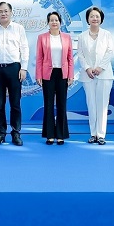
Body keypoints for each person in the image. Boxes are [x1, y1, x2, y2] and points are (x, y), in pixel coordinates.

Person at [0, 1, 29, 146]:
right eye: (0, 11)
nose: (3, 14)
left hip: (14, 68)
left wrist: (24, 68)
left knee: (15, 103)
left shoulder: (18, 28)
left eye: (5, 11)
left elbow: (24, 48)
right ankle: (0, 133)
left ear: (11, 12)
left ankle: (16, 133)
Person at [36, 12, 73, 145]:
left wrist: (71, 75)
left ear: (60, 22)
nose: (54, 22)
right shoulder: (42, 37)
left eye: (56, 20)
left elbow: (70, 58)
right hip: (48, 74)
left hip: (62, 74)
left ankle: (61, 134)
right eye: (51, 20)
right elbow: (39, 58)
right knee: (49, 104)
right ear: (48, 23)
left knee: (62, 104)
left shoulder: (67, 37)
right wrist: (38, 75)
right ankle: (50, 135)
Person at [78, 7, 114, 145]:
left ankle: (101, 134)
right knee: (91, 104)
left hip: (104, 74)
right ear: (88, 19)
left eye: (97, 16)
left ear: (101, 19)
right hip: (88, 75)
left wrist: (100, 67)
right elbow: (80, 54)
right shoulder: (82, 36)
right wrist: (87, 68)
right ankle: (93, 134)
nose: (95, 18)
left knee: (102, 104)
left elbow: (109, 52)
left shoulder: (107, 34)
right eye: (92, 16)